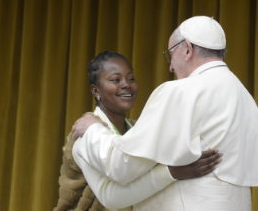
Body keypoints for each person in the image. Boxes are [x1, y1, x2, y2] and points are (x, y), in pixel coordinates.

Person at [72, 16, 258, 210]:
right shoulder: (246, 98)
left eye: (171, 55)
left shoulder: (180, 91)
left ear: (187, 49)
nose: (170, 67)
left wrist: (92, 129)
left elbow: (121, 166)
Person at [54, 51, 222, 211]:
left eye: (131, 78)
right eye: (115, 80)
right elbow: (111, 197)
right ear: (95, 90)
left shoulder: (136, 129)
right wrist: (174, 172)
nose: (126, 85)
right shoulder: (83, 136)